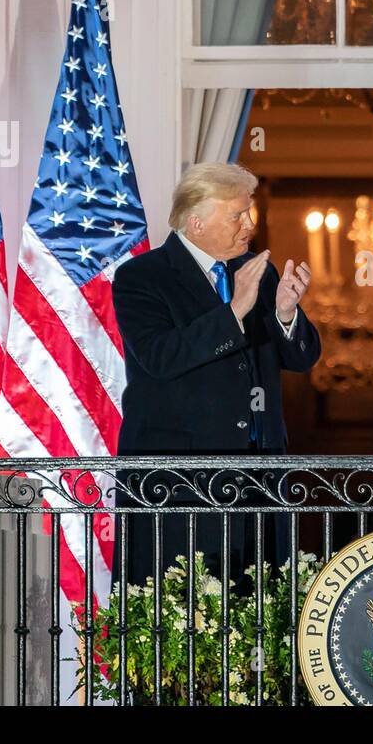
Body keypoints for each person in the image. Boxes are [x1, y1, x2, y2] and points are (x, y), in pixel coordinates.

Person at [110, 163, 320, 589]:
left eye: (249, 212)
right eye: (237, 215)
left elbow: (301, 358)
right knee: (181, 627)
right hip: (179, 485)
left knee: (256, 616)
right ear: (196, 221)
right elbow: (160, 357)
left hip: (259, 478)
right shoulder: (141, 277)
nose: (250, 224)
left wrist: (284, 312)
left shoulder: (259, 273)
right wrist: (234, 311)